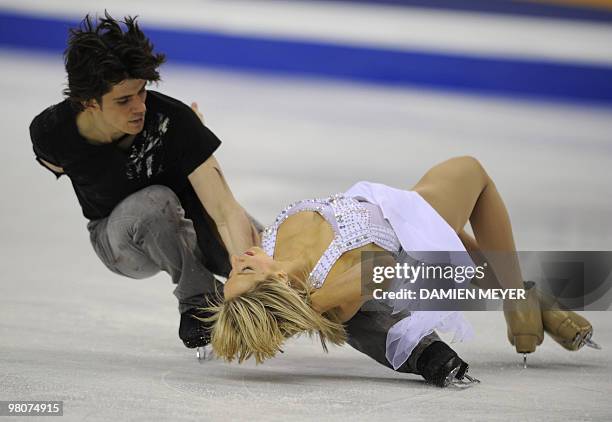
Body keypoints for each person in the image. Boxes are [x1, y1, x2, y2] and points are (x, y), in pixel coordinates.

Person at [208, 156, 597, 387]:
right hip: (410, 234)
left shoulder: (264, 250)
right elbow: (383, 267)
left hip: (377, 202)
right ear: (274, 284)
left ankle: (533, 304)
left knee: (471, 248)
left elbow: (224, 204)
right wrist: (313, 304)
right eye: (243, 273)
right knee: (472, 172)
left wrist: (196, 143)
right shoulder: (328, 294)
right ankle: (519, 303)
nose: (236, 262)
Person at [29, 13, 260, 350]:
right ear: (88, 102)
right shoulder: (51, 134)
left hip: (188, 218)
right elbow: (64, 165)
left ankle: (366, 298)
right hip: (118, 241)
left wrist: (250, 286)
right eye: (123, 100)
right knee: (154, 201)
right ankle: (199, 303)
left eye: (142, 92)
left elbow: (226, 211)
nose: (139, 107)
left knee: (275, 255)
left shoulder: (174, 121)